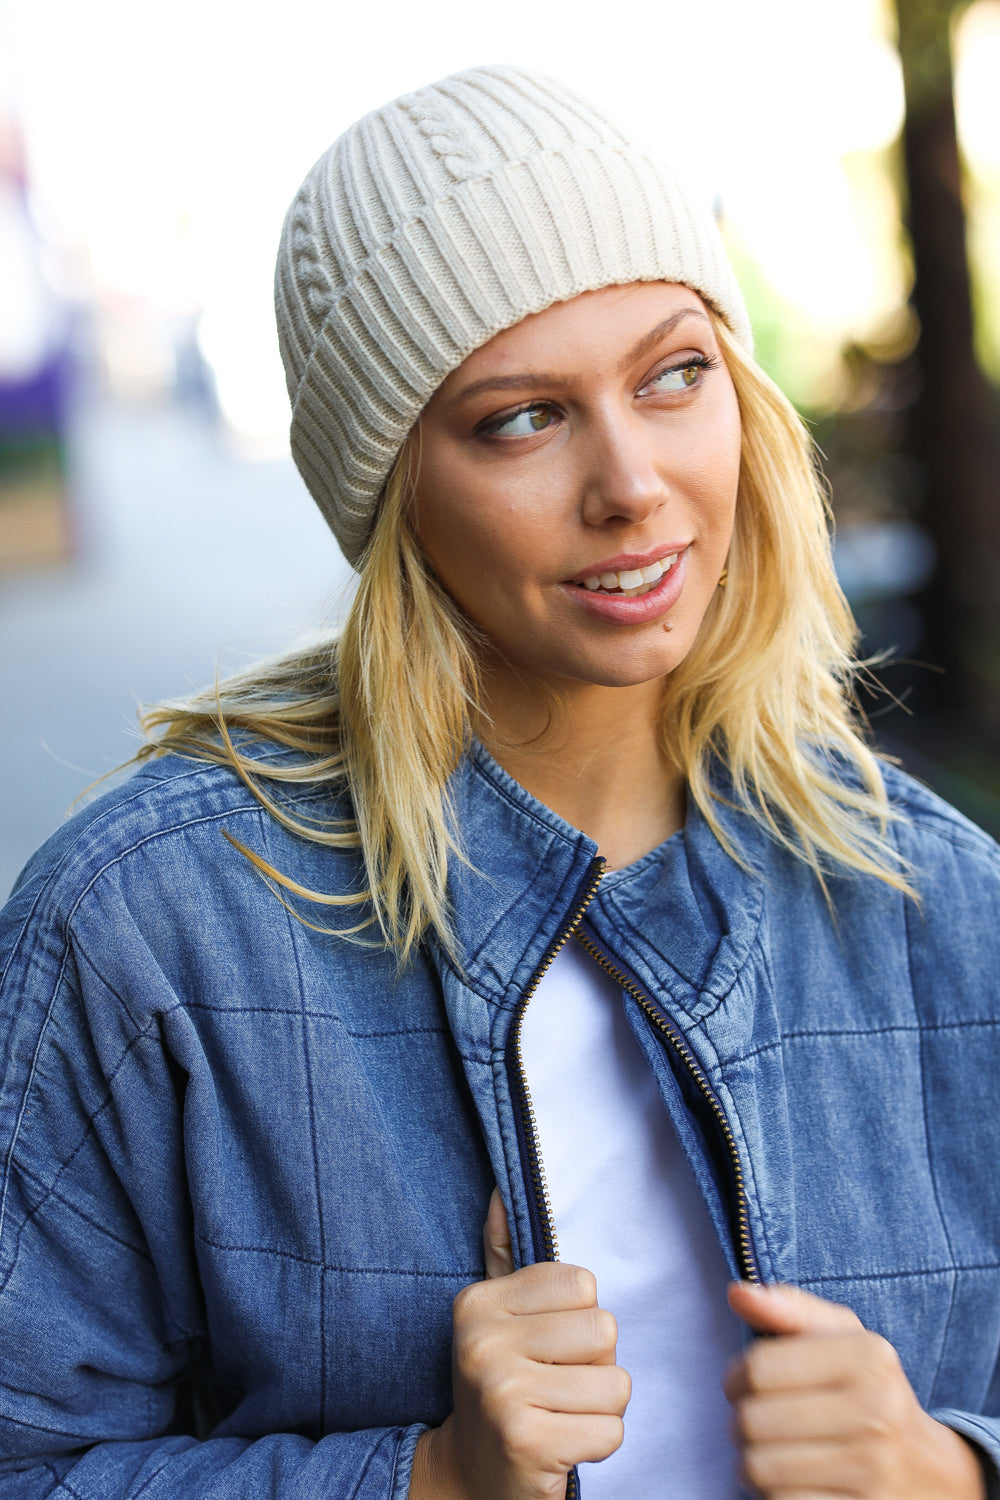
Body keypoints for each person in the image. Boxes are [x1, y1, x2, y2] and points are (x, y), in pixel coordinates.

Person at [0, 62, 998, 1500]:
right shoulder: (147, 933)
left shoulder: (943, 909)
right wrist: (422, 1483)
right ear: (391, 488)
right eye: (521, 418)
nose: (633, 483)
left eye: (673, 375)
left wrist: (949, 1472)